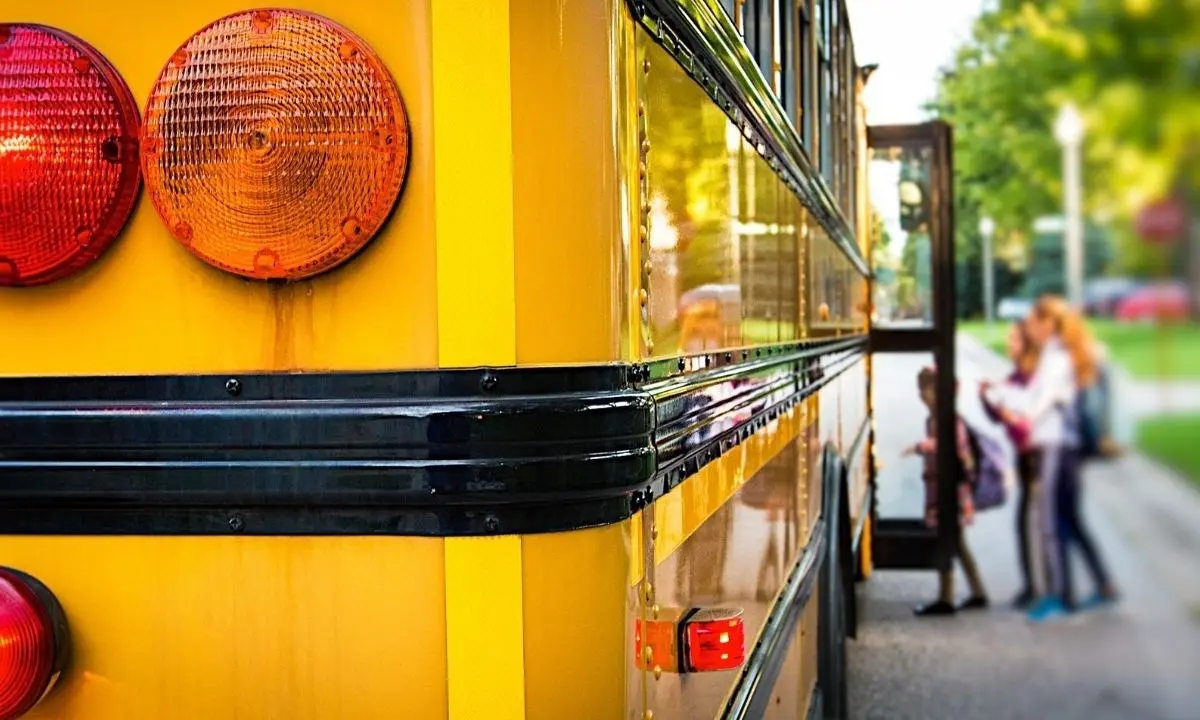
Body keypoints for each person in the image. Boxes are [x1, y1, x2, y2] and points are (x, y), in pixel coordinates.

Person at [1021, 296, 1119, 622]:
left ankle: (1060, 596)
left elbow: (1049, 399)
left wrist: (1027, 417)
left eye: (1034, 322)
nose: (1030, 329)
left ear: (1048, 323)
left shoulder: (1058, 355)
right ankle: (1104, 584)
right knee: (1071, 519)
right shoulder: (1068, 353)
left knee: (1051, 521)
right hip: (1068, 447)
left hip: (1056, 446)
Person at [904, 366, 988, 616]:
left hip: (950, 490)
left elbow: (955, 448)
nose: (922, 395)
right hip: (941, 487)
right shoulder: (934, 419)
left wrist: (922, 446)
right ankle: (977, 592)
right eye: (920, 390)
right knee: (958, 543)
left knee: (947, 541)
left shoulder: (949, 419)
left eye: (927, 389)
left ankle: (947, 597)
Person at [979, 322, 1044, 609]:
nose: (1009, 344)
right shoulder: (1017, 376)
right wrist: (988, 399)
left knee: (1037, 523)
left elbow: (1024, 425)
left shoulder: (1031, 378)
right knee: (1033, 523)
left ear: (1027, 343)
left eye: (1014, 339)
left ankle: (1040, 588)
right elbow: (999, 416)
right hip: (1027, 456)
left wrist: (1004, 412)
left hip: (1038, 457)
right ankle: (1036, 586)